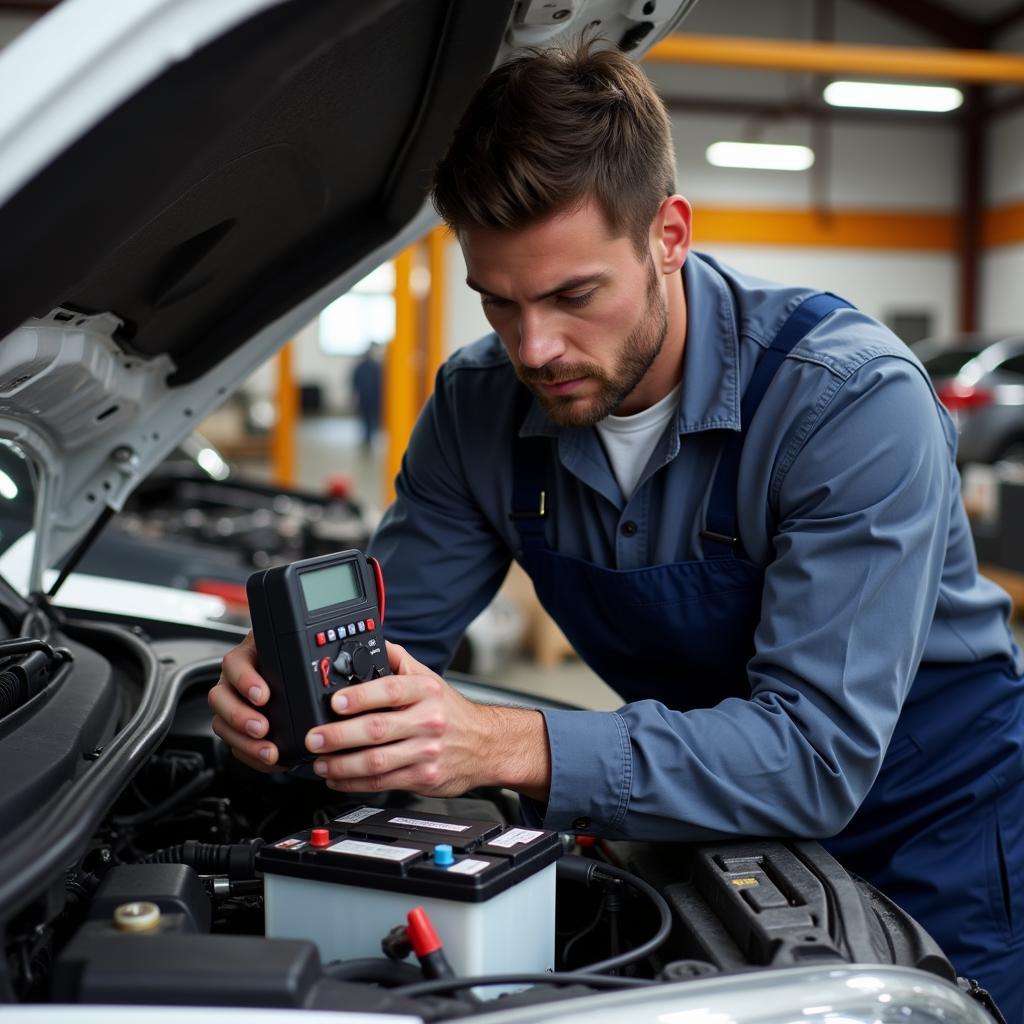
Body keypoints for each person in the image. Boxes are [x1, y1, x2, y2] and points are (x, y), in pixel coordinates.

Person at [209, 42, 1024, 1014]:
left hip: (936, 836)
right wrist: (281, 712)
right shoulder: (479, 409)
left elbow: (813, 754)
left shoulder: (845, 403)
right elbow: (385, 655)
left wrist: (509, 744)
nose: (535, 347)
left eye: (572, 296)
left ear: (668, 235)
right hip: (711, 825)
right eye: (499, 303)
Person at [350, 344, 382, 452]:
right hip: (372, 397)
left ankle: (368, 438)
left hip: (367, 397)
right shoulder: (376, 367)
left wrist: (354, 394)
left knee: (367, 418)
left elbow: (354, 382)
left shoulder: (364, 367)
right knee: (369, 418)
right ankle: (368, 437)